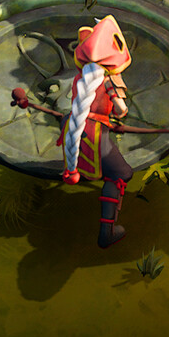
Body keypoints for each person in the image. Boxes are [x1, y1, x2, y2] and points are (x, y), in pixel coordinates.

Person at [58, 15, 137, 248]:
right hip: (94, 133)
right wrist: (117, 114)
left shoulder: (79, 77)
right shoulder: (111, 81)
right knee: (122, 174)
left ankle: (75, 169)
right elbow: (121, 110)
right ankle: (107, 232)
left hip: (72, 125)